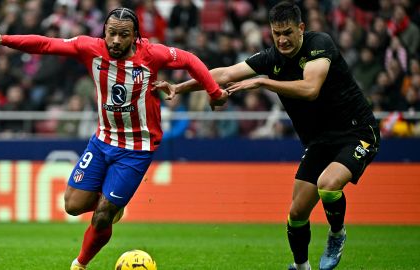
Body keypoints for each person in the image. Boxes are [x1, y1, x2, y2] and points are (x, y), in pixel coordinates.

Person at [0, 7, 227, 270]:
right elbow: (47, 44)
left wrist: (214, 90)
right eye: (111, 34)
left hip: (136, 148)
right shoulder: (90, 48)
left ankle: (80, 264)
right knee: (72, 206)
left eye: (124, 35)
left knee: (102, 215)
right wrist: (5, 39)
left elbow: (189, 59)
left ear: (135, 36)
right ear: (104, 32)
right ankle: (112, 203)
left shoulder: (152, 55)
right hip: (102, 140)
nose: (116, 41)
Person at [156, 2, 380, 270]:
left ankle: (336, 234)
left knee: (328, 184)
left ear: (301, 28)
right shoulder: (271, 58)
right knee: (297, 213)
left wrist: (263, 82)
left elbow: (310, 89)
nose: (282, 40)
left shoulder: (320, 45)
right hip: (319, 141)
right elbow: (224, 74)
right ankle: (301, 267)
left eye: (287, 32)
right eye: (276, 34)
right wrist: (178, 88)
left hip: (356, 132)